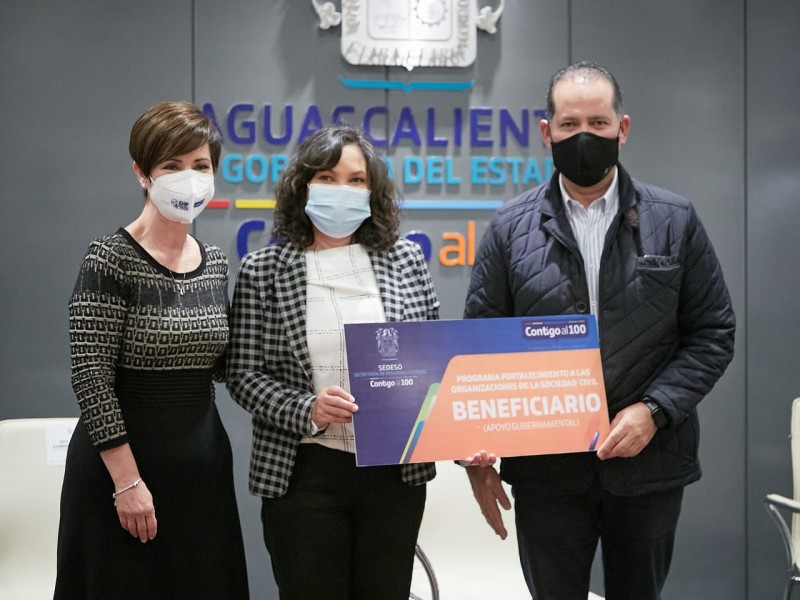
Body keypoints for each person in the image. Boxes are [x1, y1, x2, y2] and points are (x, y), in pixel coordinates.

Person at [462, 62, 736, 600]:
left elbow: (713, 332)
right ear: (547, 133)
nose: (583, 136)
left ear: (622, 129)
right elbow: (480, 348)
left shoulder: (674, 219)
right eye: (569, 124)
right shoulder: (510, 228)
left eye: (598, 123)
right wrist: (476, 451)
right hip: (546, 473)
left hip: (649, 463)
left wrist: (655, 410)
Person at [225, 124, 439, 600]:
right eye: (327, 177)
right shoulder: (263, 270)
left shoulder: (406, 261)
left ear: (372, 190)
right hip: (303, 472)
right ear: (303, 187)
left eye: (356, 180)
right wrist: (308, 408)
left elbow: (432, 362)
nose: (342, 189)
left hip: (393, 476)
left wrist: (461, 434)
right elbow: (241, 374)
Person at [55, 101, 249, 599]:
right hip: (121, 476)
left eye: (201, 166)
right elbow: (91, 378)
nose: (189, 178)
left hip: (201, 471)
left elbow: (225, 366)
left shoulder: (215, 262)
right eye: (172, 165)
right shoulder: (109, 258)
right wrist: (127, 483)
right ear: (142, 173)